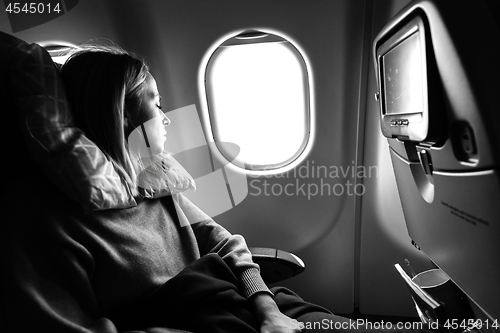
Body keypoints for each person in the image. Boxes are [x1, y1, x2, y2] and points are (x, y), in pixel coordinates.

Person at [1, 42, 434, 333]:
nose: (166, 118)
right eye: (155, 102)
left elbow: (224, 244)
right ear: (122, 114)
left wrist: (266, 307)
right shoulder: (39, 217)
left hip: (248, 303)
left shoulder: (150, 181)